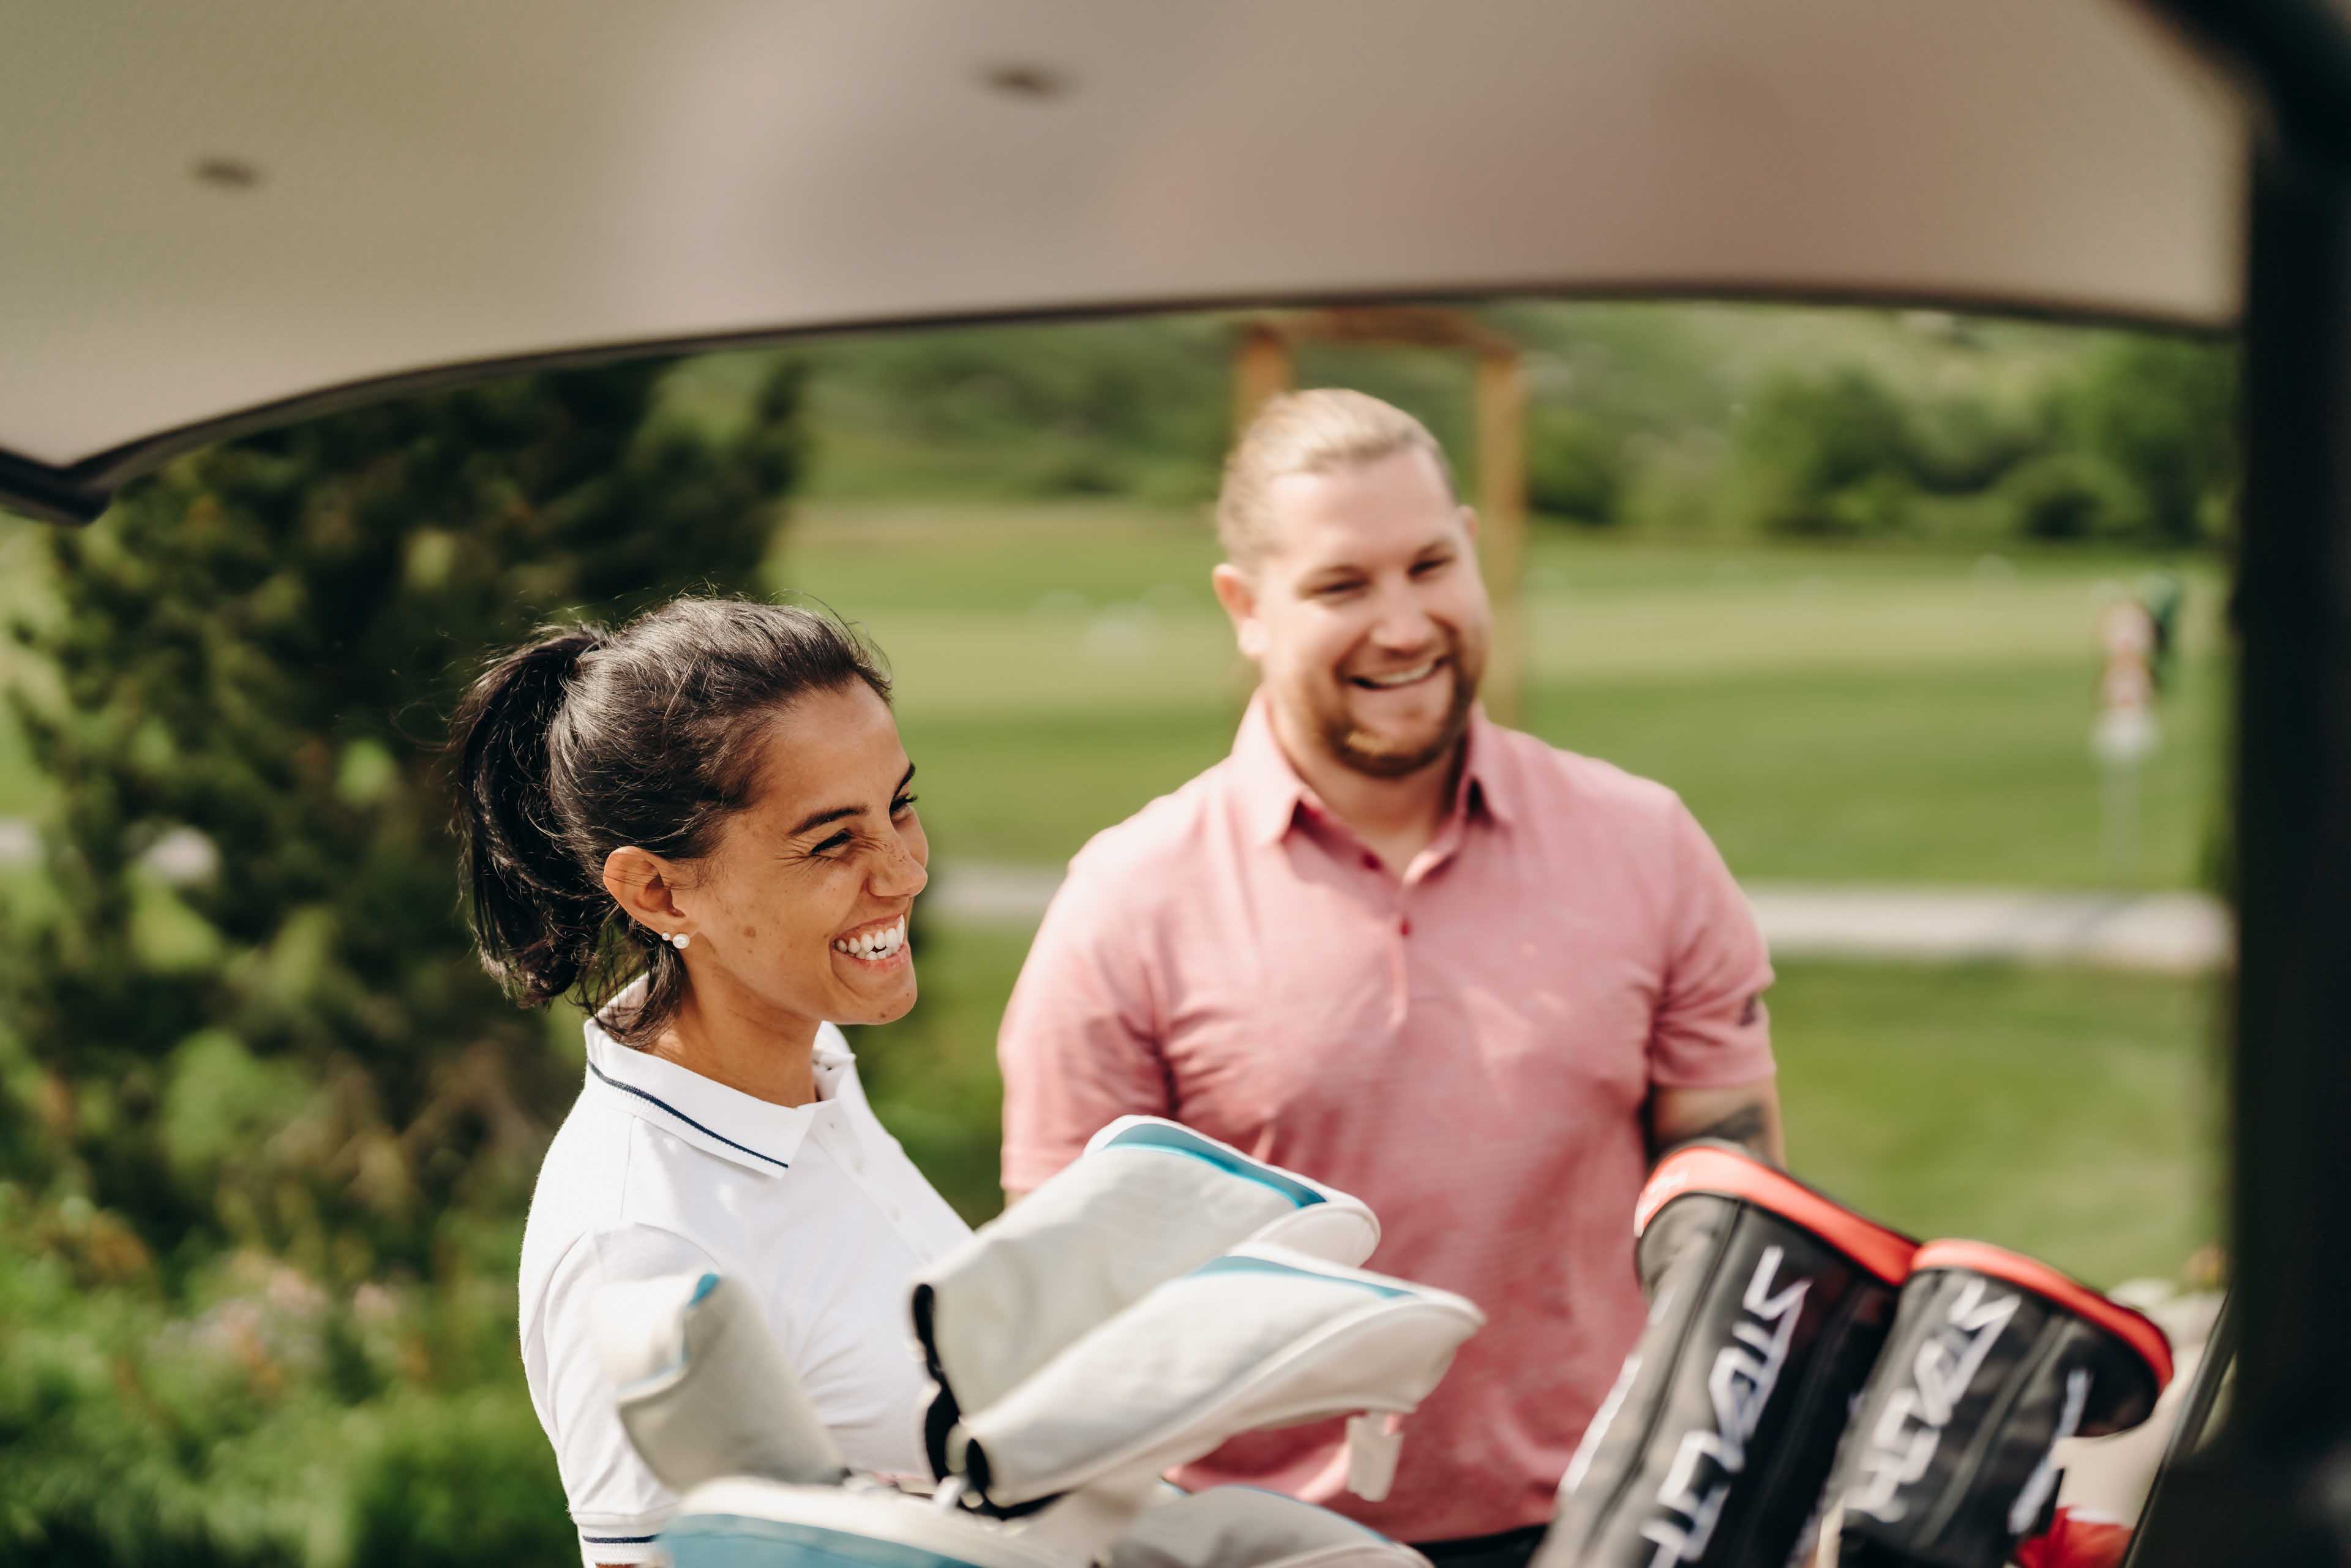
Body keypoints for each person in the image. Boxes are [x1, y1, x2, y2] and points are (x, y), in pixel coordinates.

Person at [996, 391, 1783, 1568]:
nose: (1405, 624)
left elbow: (1736, 1222)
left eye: (1430, 564)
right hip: (1261, 1549)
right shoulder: (1127, 899)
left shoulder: (1649, 843)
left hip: (1610, 1528)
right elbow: (1058, 1312)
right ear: (1246, 607)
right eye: (1342, 585)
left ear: (1475, 547)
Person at [451, 597, 969, 1567]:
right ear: (656, 889)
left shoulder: (806, 1073)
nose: (902, 872)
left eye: (898, 804)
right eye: (831, 842)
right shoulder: (639, 1244)